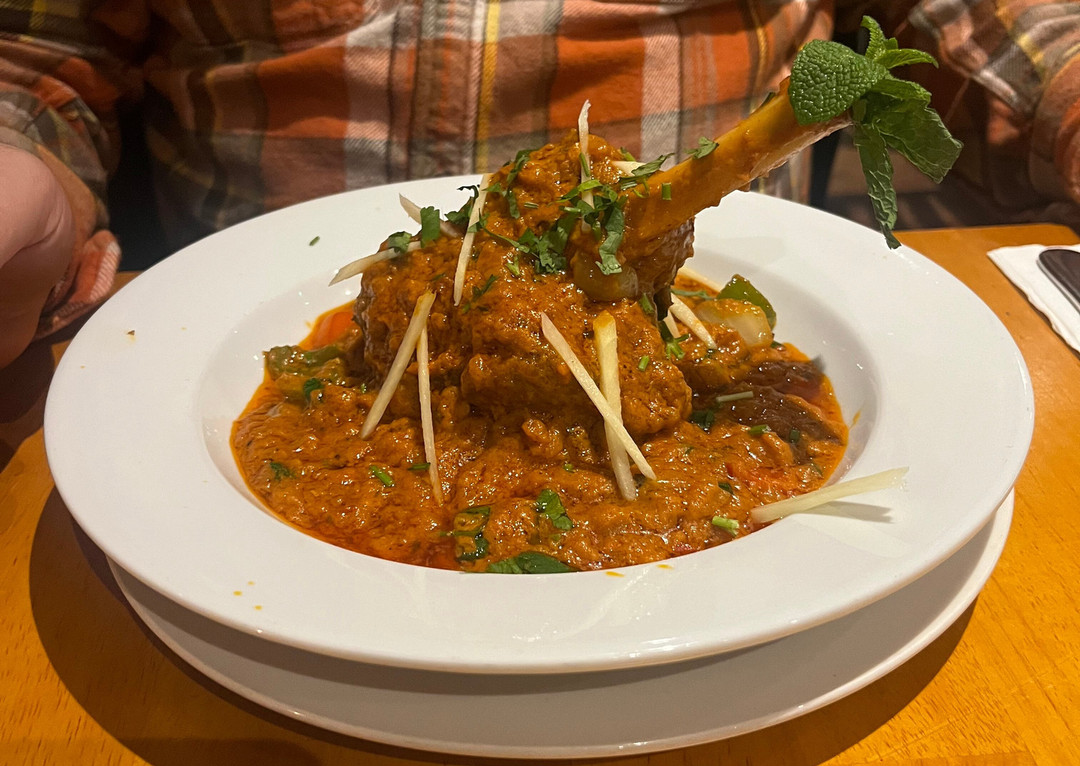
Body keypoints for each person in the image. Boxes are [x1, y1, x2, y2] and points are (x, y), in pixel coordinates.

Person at [1, 0, 1078, 368]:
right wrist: (22, 166)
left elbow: (1001, 21)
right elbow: (39, 58)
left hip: (682, 317)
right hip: (244, 328)